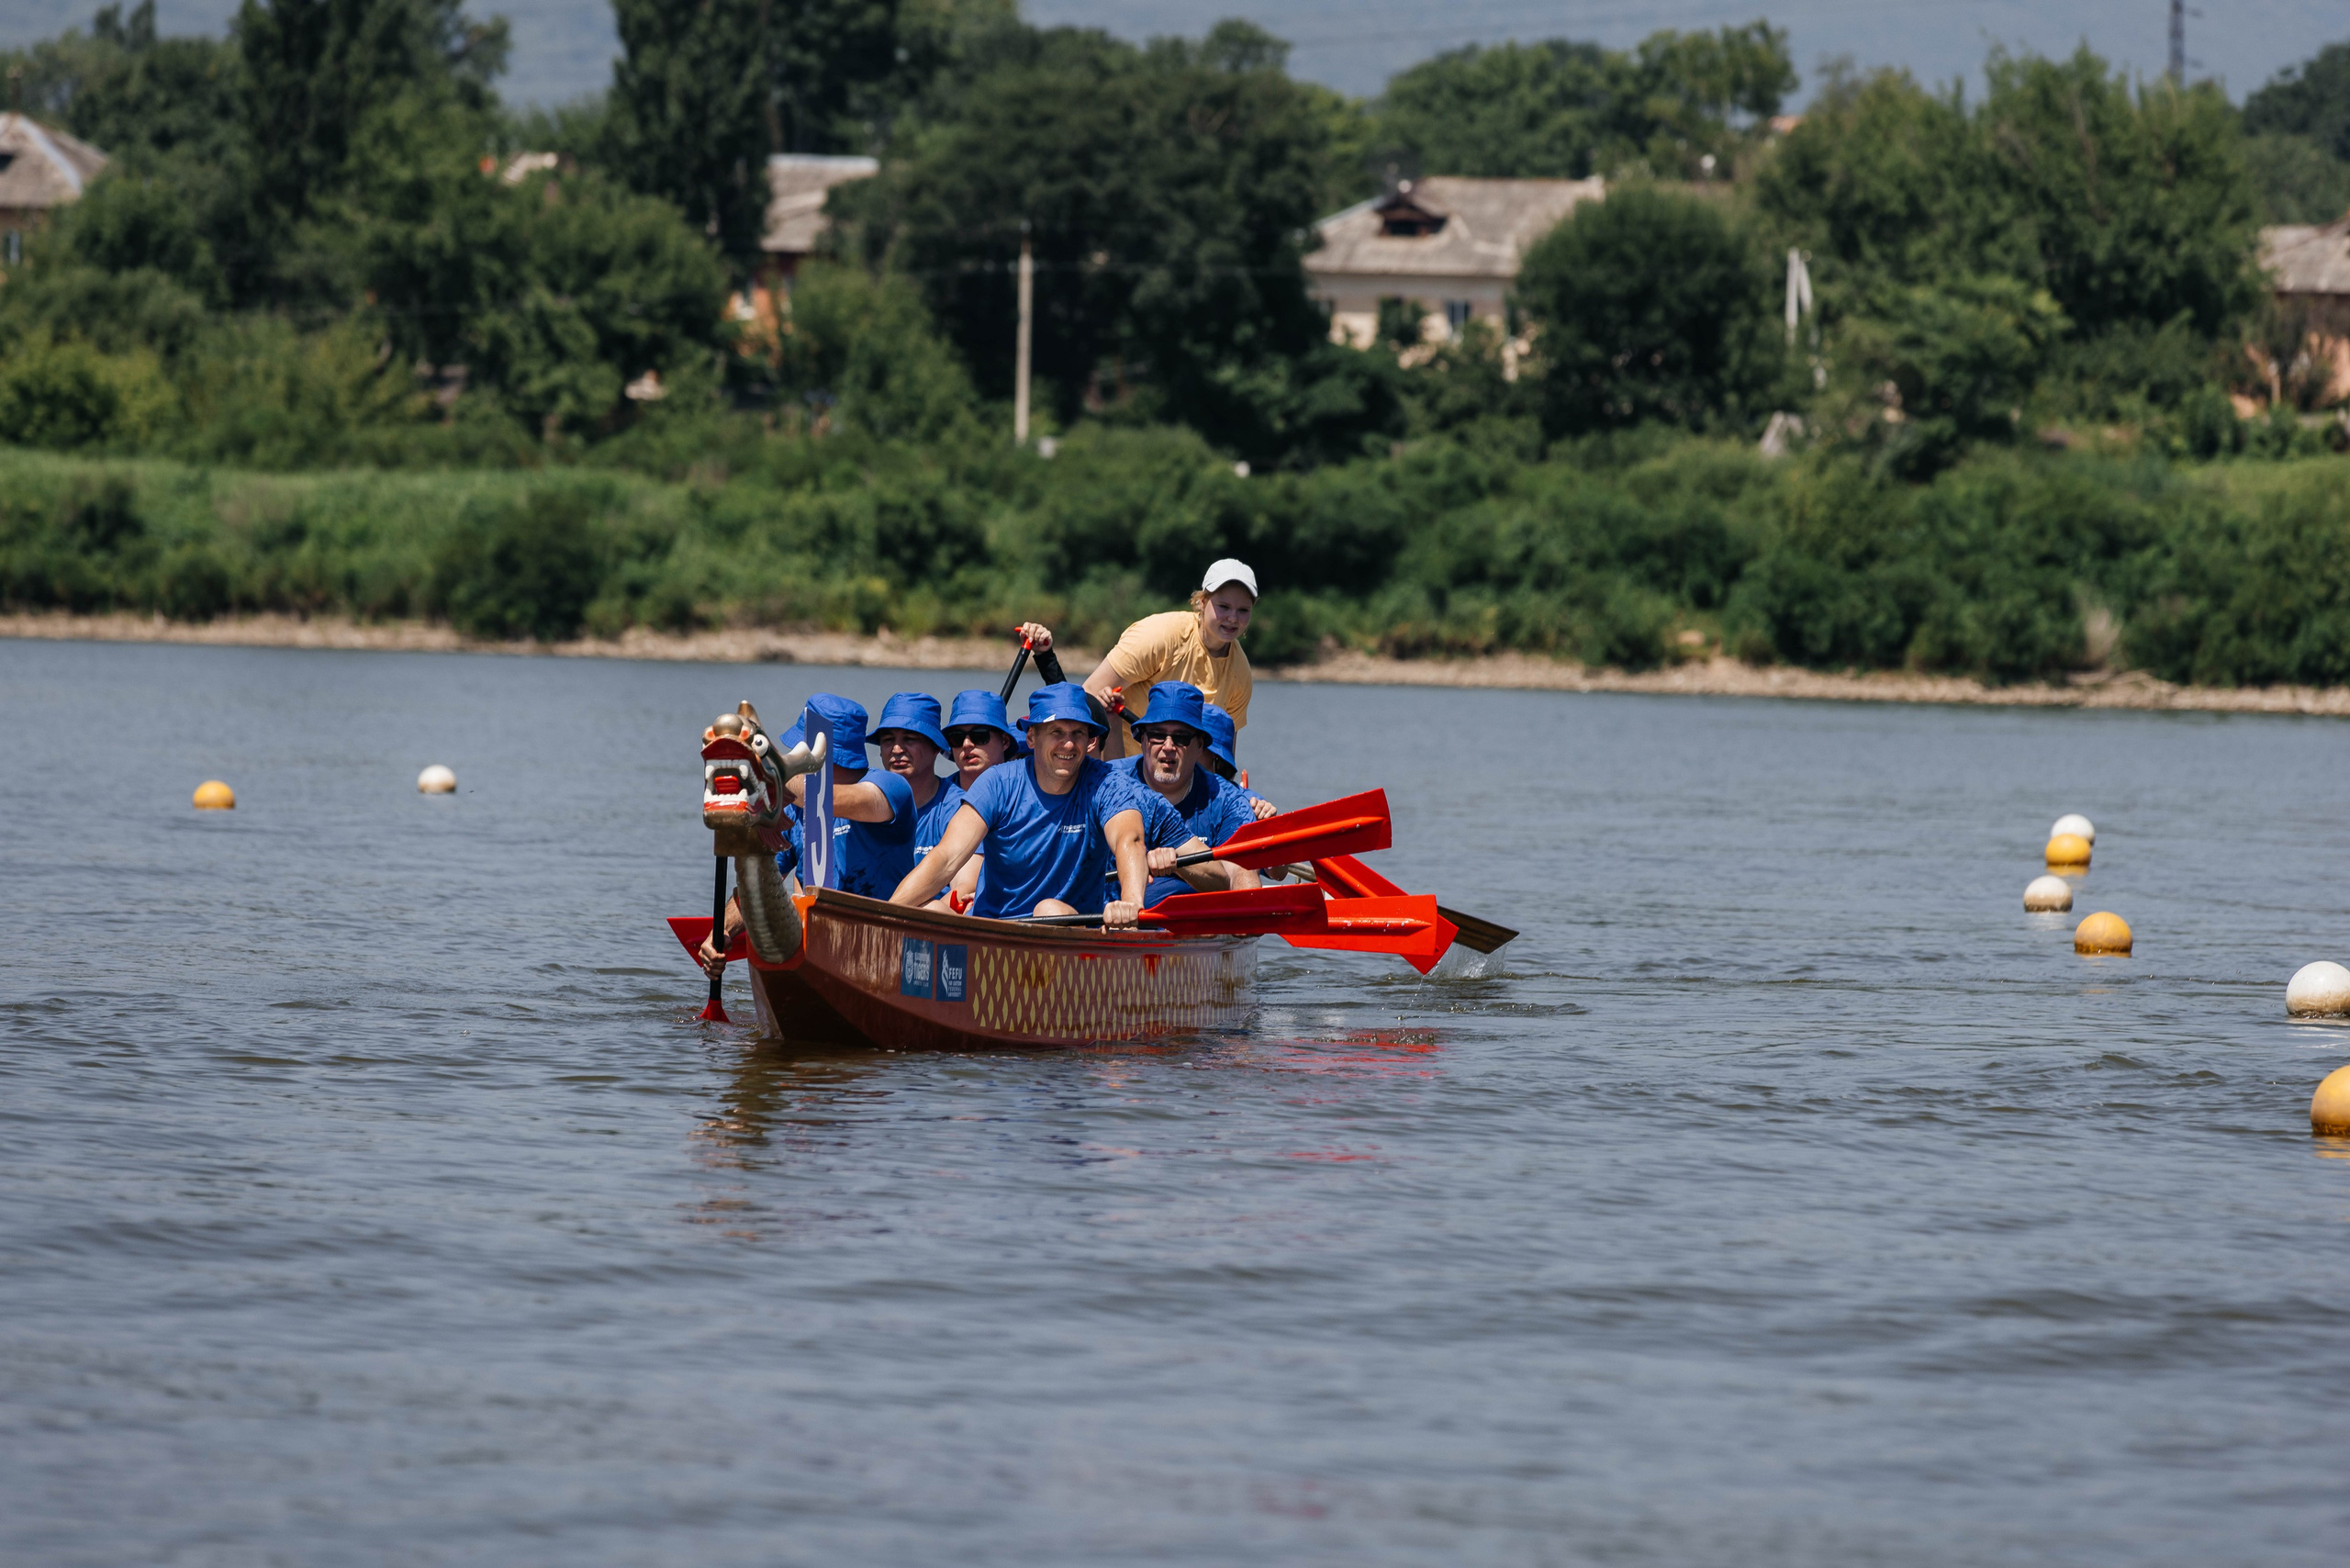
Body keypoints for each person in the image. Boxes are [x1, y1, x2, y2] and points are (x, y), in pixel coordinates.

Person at [890, 683, 1150, 927]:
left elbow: (1130, 839)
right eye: (1056, 732)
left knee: (1049, 910)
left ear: (1089, 740)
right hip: (995, 932)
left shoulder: (1105, 782)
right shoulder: (998, 783)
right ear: (1031, 737)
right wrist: (885, 914)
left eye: (1078, 733)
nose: (1068, 744)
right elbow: (946, 857)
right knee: (932, 910)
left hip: (1067, 929)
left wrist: (1131, 904)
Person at [699, 694, 916, 973]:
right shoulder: (796, 812)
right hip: (814, 945)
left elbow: (826, 799)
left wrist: (765, 769)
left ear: (820, 752)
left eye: (798, 748)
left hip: (880, 949)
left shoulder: (891, 786)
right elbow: (762, 879)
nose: (792, 754)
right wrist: (722, 932)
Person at [1016, 561, 1256, 760]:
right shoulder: (1159, 636)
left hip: (1173, 777)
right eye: (1223, 606)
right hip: (1114, 764)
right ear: (1201, 603)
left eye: (1243, 610)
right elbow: (1087, 697)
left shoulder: (1241, 673)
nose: (1232, 618)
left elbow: (1223, 754)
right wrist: (1046, 658)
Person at [1112, 682, 1263, 907]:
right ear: (1142, 739)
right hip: (1111, 915)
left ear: (1200, 745)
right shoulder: (1108, 781)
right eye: (1157, 735)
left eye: (1181, 737)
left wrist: (1182, 864)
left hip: (1196, 926)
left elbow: (1240, 877)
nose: (1168, 746)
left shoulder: (1229, 799)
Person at [872, 692, 961, 863]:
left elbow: (966, 882)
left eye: (910, 739)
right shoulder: (864, 798)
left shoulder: (957, 808)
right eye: (888, 740)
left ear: (936, 747)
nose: (897, 750)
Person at [1201, 702, 1277, 822]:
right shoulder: (1166, 792)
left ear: (1216, 756)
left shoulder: (1248, 802)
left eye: (1199, 745)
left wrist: (1266, 817)